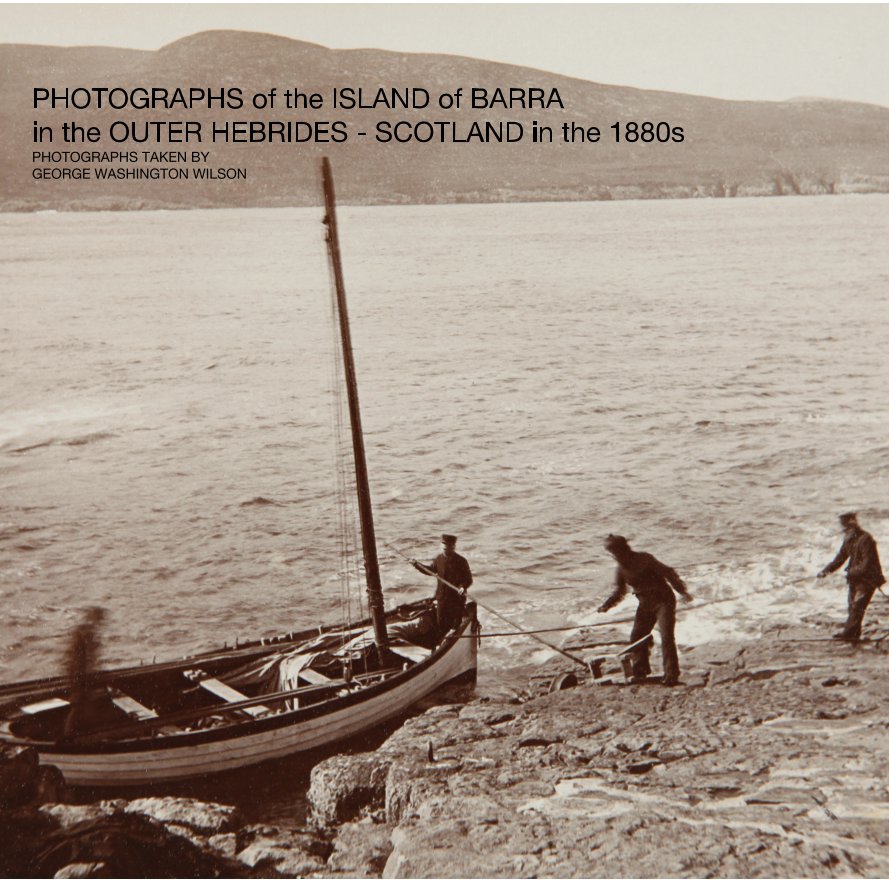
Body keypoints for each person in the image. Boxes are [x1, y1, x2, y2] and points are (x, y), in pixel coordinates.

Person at [597, 534, 693, 686]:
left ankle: (671, 674)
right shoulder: (621, 569)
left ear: (623, 549)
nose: (614, 556)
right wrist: (606, 605)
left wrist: (682, 591)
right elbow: (620, 592)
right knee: (637, 636)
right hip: (645, 604)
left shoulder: (645, 559)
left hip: (663, 600)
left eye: (615, 552)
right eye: (611, 553)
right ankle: (640, 671)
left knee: (666, 636)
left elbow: (668, 572)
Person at [817, 512, 885, 643]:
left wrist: (850, 573)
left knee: (857, 607)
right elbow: (840, 559)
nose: (844, 531)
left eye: (846, 527)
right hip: (855, 579)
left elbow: (867, 564)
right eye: (844, 528)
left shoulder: (866, 539)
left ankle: (849, 634)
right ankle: (853, 633)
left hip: (868, 580)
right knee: (852, 606)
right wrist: (825, 571)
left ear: (853, 524)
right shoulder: (849, 539)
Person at [412, 534, 473, 639]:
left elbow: (468, 579)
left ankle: (454, 641)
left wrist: (463, 587)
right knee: (441, 624)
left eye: (448, 545)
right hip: (441, 598)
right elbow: (430, 571)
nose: (445, 548)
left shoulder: (461, 561)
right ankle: (440, 644)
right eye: (443, 545)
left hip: (456, 599)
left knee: (455, 626)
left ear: (453, 546)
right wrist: (417, 565)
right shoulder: (439, 559)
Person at [63, 606, 105, 738]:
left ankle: (80, 736)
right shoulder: (86, 633)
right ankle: (68, 738)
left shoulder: (86, 631)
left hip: (81, 675)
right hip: (79, 676)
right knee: (78, 707)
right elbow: (83, 658)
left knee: (83, 707)